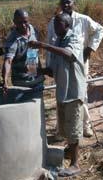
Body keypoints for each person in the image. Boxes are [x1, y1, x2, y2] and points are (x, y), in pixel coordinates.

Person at [29, 13, 85, 177]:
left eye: (58, 23)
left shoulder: (74, 38)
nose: (55, 26)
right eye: (54, 23)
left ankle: (75, 164)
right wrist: (38, 70)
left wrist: (42, 45)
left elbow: (69, 55)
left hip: (74, 91)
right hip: (62, 90)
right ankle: (69, 152)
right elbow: (53, 71)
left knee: (73, 129)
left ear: (67, 25)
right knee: (66, 127)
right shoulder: (57, 42)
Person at [47, 0, 103, 137]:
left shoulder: (83, 20)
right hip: (61, 65)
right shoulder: (54, 22)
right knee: (61, 95)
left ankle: (85, 126)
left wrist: (90, 48)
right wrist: (49, 66)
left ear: (74, 3)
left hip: (79, 64)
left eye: (68, 2)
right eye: (63, 3)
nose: (66, 5)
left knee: (80, 95)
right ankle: (62, 129)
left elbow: (100, 30)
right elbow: (50, 44)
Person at [2, 9, 44, 91]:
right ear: (14, 22)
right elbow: (8, 61)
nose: (23, 25)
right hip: (22, 83)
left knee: (38, 103)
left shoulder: (33, 30)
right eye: (19, 22)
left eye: (25, 22)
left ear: (28, 20)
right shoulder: (12, 39)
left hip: (37, 79)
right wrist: (5, 81)